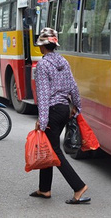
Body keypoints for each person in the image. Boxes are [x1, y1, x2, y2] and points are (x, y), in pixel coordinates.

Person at [30, 27, 90, 205]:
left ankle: (78, 187)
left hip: (52, 111)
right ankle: (44, 189)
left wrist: (42, 120)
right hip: (64, 109)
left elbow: (43, 94)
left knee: (54, 151)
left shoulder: (42, 65)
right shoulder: (64, 61)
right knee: (49, 147)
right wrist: (76, 107)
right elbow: (74, 87)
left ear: (42, 47)